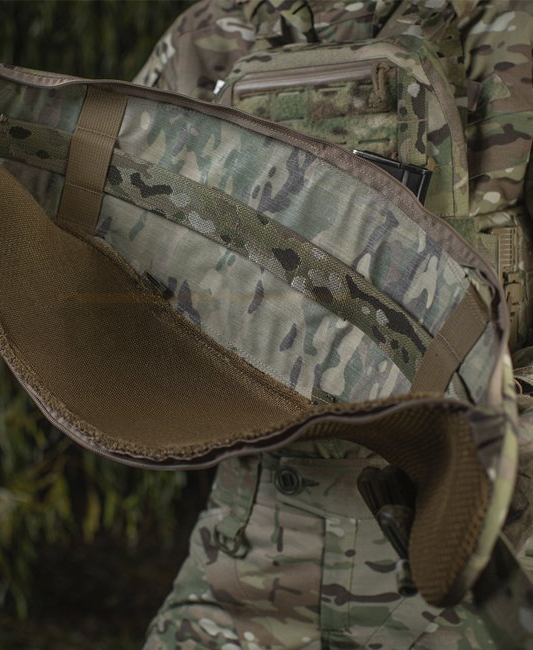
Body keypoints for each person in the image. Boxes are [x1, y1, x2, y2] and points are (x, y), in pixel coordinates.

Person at [133, 1, 533, 648]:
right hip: (254, 539)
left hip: (475, 544)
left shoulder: (515, 27)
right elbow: (124, 236)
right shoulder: (212, 33)